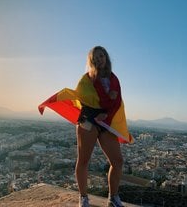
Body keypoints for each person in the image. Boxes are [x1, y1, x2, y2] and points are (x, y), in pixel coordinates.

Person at [38, 46, 133, 207]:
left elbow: (116, 102)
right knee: (83, 160)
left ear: (106, 57)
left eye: (101, 55)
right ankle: (83, 198)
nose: (98, 59)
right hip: (88, 119)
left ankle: (113, 197)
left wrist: (106, 113)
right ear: (90, 61)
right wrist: (99, 104)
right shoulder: (85, 80)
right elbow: (79, 97)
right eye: (95, 57)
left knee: (117, 161)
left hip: (106, 121)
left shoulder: (114, 79)